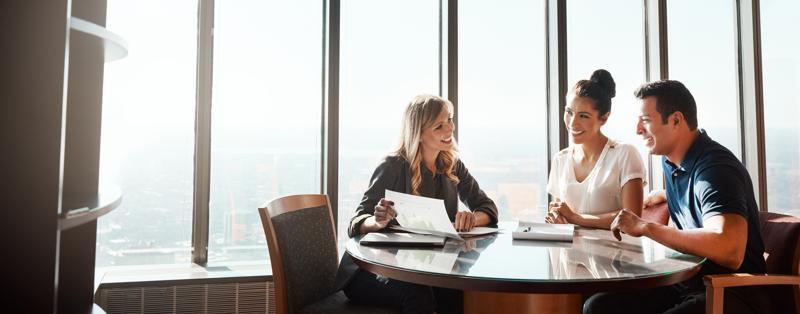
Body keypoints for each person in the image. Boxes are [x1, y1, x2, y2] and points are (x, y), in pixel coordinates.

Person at [585, 80, 770, 314]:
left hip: (731, 291)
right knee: (599, 306)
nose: (637, 130)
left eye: (645, 120)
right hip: (687, 282)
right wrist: (662, 196)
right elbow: (703, 203)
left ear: (675, 120)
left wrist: (646, 227)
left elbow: (729, 250)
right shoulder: (672, 163)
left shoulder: (716, 169)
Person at [334, 94, 499, 314]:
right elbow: (356, 223)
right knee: (419, 295)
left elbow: (488, 208)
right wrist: (377, 220)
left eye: (450, 119)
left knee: (457, 293)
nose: (450, 129)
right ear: (419, 133)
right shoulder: (392, 166)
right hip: (371, 271)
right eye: (439, 126)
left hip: (423, 267)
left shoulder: (452, 164)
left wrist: (472, 218)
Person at [545, 69, 646, 229]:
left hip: (616, 253)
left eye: (583, 116)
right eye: (569, 112)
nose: (572, 123)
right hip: (569, 252)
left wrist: (575, 218)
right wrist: (557, 217)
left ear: (604, 118)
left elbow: (631, 218)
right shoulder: (560, 160)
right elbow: (560, 216)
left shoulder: (625, 154)